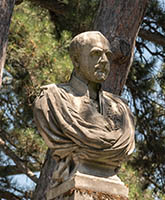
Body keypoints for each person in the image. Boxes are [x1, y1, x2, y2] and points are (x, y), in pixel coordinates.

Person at [33, 31, 135, 182]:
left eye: (108, 55)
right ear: (76, 60)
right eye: (96, 54)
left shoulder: (122, 109)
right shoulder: (51, 99)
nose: (104, 61)